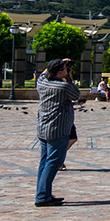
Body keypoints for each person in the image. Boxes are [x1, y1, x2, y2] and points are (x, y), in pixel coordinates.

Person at [34, 58, 79, 207]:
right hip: (57, 130)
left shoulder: (41, 82)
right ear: (60, 72)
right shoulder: (63, 86)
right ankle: (42, 196)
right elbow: (76, 95)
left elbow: (43, 73)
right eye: (65, 68)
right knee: (53, 163)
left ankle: (44, 193)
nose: (67, 70)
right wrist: (69, 77)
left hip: (43, 128)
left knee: (44, 162)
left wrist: (58, 62)